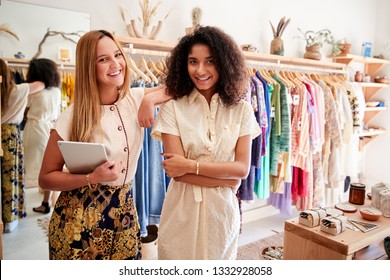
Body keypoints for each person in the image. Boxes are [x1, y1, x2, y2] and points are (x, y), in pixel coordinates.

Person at [38, 29, 170, 260]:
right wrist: (92, 178)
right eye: (103, 59)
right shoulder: (72, 116)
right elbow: (46, 177)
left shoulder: (136, 99)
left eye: (118, 55)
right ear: (89, 66)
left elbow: (181, 87)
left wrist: (150, 99)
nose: (115, 63)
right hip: (77, 221)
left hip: (125, 213)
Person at [150, 26, 261, 260]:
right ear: (184, 64)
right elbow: (175, 172)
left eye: (210, 61)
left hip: (221, 212)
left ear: (224, 63)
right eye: (193, 62)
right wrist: (226, 177)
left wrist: (191, 166)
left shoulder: (242, 110)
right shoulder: (172, 108)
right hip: (182, 209)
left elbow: (241, 169)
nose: (200, 70)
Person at [1, 58, 45, 232]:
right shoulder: (18, 90)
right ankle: (10, 219)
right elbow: (40, 84)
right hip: (10, 135)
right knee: (11, 176)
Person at [22, 58, 62, 214]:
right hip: (50, 127)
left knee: (31, 167)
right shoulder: (56, 91)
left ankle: (18, 203)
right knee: (49, 167)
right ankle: (47, 202)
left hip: (35, 129)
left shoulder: (36, 90)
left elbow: (20, 102)